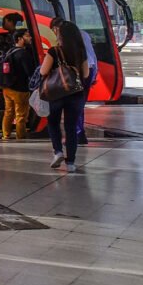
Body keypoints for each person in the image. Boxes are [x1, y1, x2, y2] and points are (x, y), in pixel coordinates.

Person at [40, 20, 90, 172]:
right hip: (75, 94)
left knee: (53, 123)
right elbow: (86, 74)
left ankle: (58, 151)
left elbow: (43, 71)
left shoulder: (54, 51)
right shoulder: (81, 52)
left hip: (55, 93)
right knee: (70, 127)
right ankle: (71, 163)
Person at [51, 17, 98, 145]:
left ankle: (77, 134)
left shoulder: (64, 38)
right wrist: (94, 74)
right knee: (79, 103)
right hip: (89, 69)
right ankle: (79, 133)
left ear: (56, 28)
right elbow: (92, 55)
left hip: (75, 72)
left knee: (72, 104)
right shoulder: (83, 34)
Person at [1, 29, 37, 140]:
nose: (30, 38)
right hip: (20, 89)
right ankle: (20, 136)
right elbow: (30, 72)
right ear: (20, 39)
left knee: (8, 112)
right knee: (21, 115)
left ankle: (6, 135)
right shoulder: (23, 54)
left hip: (7, 87)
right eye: (27, 36)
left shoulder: (9, 51)